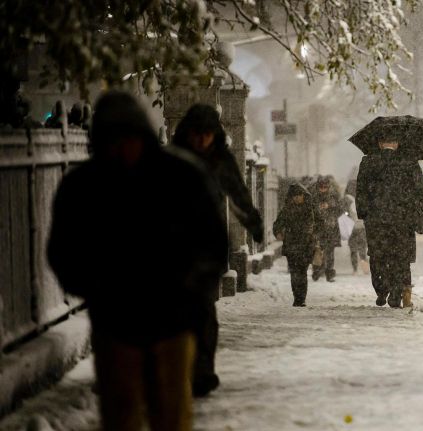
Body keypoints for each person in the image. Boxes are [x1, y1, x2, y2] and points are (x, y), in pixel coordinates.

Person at [47, 91, 228, 430]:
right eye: (111, 140)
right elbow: (64, 251)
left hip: (172, 319)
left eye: (127, 138)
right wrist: (98, 289)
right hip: (117, 321)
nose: (121, 150)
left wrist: (189, 291)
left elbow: (212, 244)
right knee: (121, 412)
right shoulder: (84, 187)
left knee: (170, 411)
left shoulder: (181, 177)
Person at [172, 103, 264, 397]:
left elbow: (237, 192)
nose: (201, 140)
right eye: (196, 134)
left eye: (207, 134)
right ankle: (179, 365)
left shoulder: (220, 160)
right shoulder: (173, 159)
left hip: (208, 243)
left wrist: (252, 221)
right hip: (173, 243)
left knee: (203, 310)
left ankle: (202, 369)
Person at [356, 141, 423, 308]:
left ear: (380, 143)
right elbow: (421, 184)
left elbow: (360, 190)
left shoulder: (368, 161)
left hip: (376, 220)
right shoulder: (409, 161)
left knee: (377, 255)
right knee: (400, 258)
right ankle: (396, 295)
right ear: (397, 143)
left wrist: (364, 213)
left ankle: (382, 289)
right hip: (402, 220)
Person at [274, 183, 318, 306]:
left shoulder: (310, 208)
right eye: (295, 196)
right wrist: (278, 232)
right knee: (294, 272)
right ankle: (297, 297)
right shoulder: (287, 209)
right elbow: (278, 223)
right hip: (291, 244)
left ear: (304, 195)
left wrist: (316, 235)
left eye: (299, 195)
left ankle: (301, 298)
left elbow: (320, 223)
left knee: (302, 271)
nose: (298, 198)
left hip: (306, 244)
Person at [309, 175, 344, 282]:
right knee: (317, 250)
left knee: (329, 251)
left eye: (325, 187)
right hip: (318, 228)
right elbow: (310, 211)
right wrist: (318, 209)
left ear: (328, 186)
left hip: (331, 228)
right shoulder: (313, 196)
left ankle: (329, 273)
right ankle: (316, 271)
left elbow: (340, 210)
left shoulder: (334, 196)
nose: (323, 189)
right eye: (321, 187)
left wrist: (330, 206)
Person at [342, 185, 368, 274]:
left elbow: (344, 212)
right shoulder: (363, 197)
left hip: (352, 227)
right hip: (362, 226)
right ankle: (364, 266)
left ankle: (355, 269)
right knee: (362, 248)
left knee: (353, 249)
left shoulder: (346, 199)